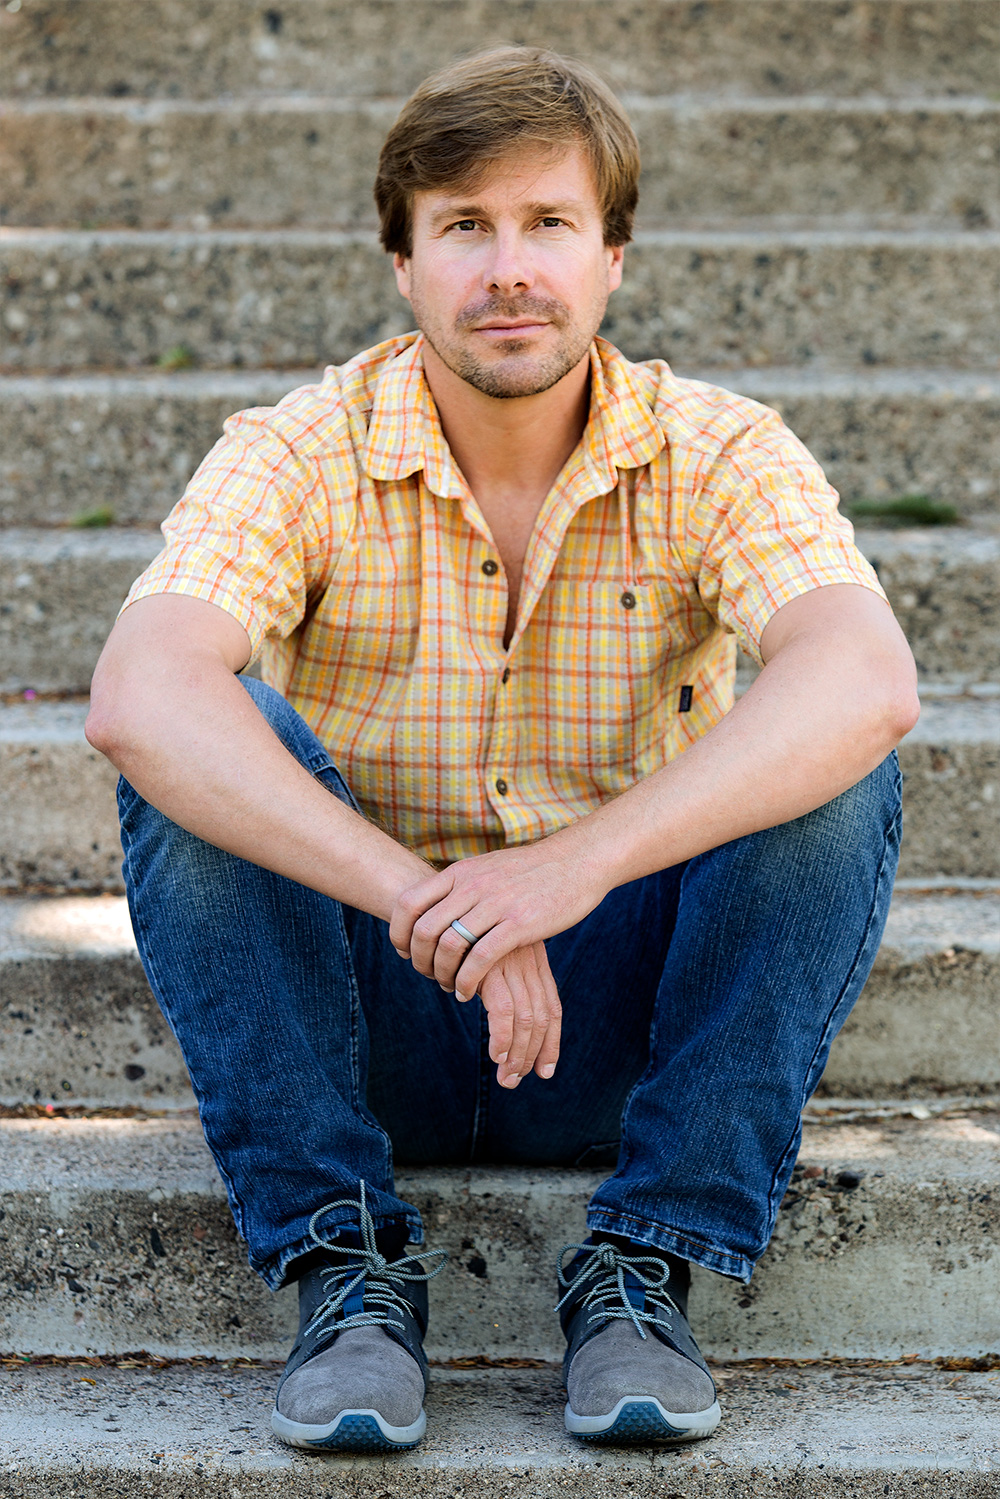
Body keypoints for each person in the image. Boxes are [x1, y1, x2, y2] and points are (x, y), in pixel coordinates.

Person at [86, 46, 918, 1454]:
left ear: (613, 259)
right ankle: (343, 1267)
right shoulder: (303, 449)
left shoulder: (717, 450)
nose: (508, 268)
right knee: (211, 753)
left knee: (836, 769)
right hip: (370, 1012)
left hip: (623, 1015)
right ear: (403, 261)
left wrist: (567, 874)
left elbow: (867, 676)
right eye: (464, 225)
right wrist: (434, 898)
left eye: (547, 224)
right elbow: (137, 696)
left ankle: (646, 1261)